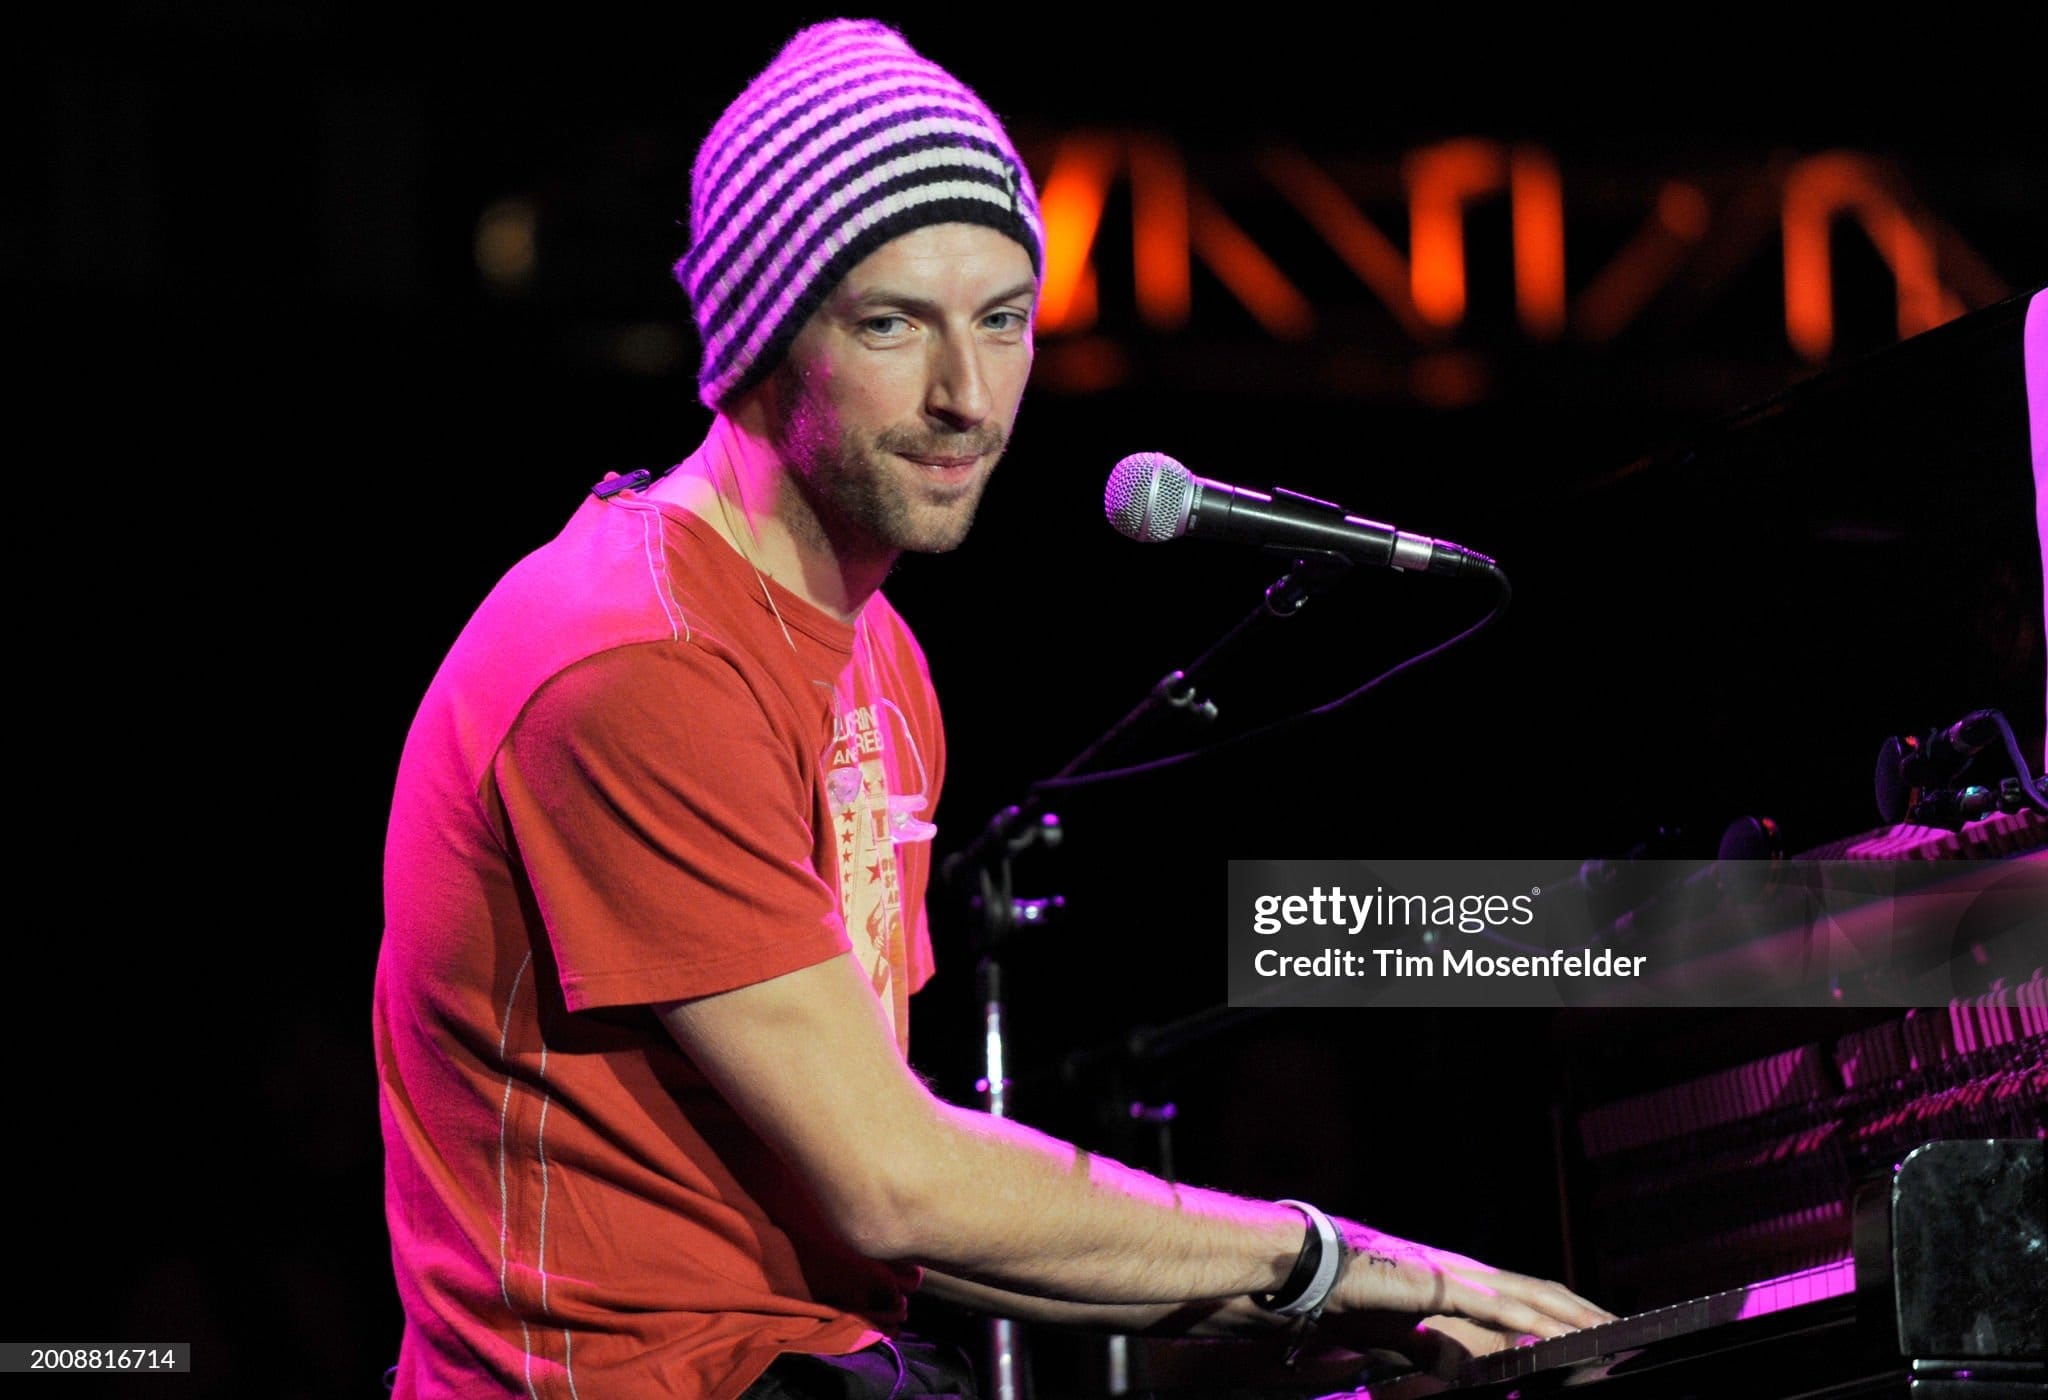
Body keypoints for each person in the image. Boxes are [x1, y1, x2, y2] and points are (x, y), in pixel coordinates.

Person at [375, 18, 1610, 1398]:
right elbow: (895, 1186)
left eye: (1004, 321)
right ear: (759, 342)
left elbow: (887, 1203)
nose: (968, 398)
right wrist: (1337, 1263)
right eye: (893, 324)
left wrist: (1333, 1304)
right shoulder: (637, 659)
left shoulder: (880, 661)